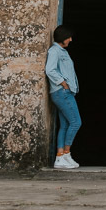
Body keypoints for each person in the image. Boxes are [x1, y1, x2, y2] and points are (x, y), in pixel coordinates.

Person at [45, 24, 80, 169]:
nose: (70, 40)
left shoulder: (62, 52)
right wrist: (63, 84)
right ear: (62, 38)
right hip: (62, 92)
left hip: (65, 92)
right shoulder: (55, 51)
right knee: (76, 122)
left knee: (65, 125)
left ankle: (60, 158)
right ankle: (66, 153)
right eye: (68, 37)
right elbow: (50, 70)